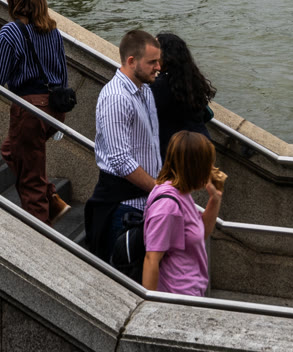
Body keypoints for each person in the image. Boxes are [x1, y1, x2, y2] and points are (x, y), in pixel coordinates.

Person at [0, 0, 74, 224]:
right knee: (13, 151)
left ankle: (40, 234)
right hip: (55, 109)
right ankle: (52, 198)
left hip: (30, 112)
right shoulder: (53, 31)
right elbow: (63, 74)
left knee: (29, 183)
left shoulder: (11, 32)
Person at [86, 29, 164, 271]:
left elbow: (152, 146)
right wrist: (160, 190)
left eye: (158, 61)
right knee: (123, 277)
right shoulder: (116, 98)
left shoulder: (145, 91)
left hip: (146, 202)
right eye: (152, 62)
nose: (158, 67)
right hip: (124, 207)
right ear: (131, 61)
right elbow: (120, 160)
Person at [142, 130, 224, 296]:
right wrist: (151, 306)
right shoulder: (167, 207)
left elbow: (198, 234)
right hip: (177, 297)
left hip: (189, 294)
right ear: (194, 167)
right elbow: (151, 259)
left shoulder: (181, 194)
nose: (212, 169)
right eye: (207, 164)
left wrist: (215, 199)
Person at [153, 33, 218, 160]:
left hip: (178, 152)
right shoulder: (191, 80)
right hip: (202, 145)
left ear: (166, 55)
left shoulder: (160, 86)